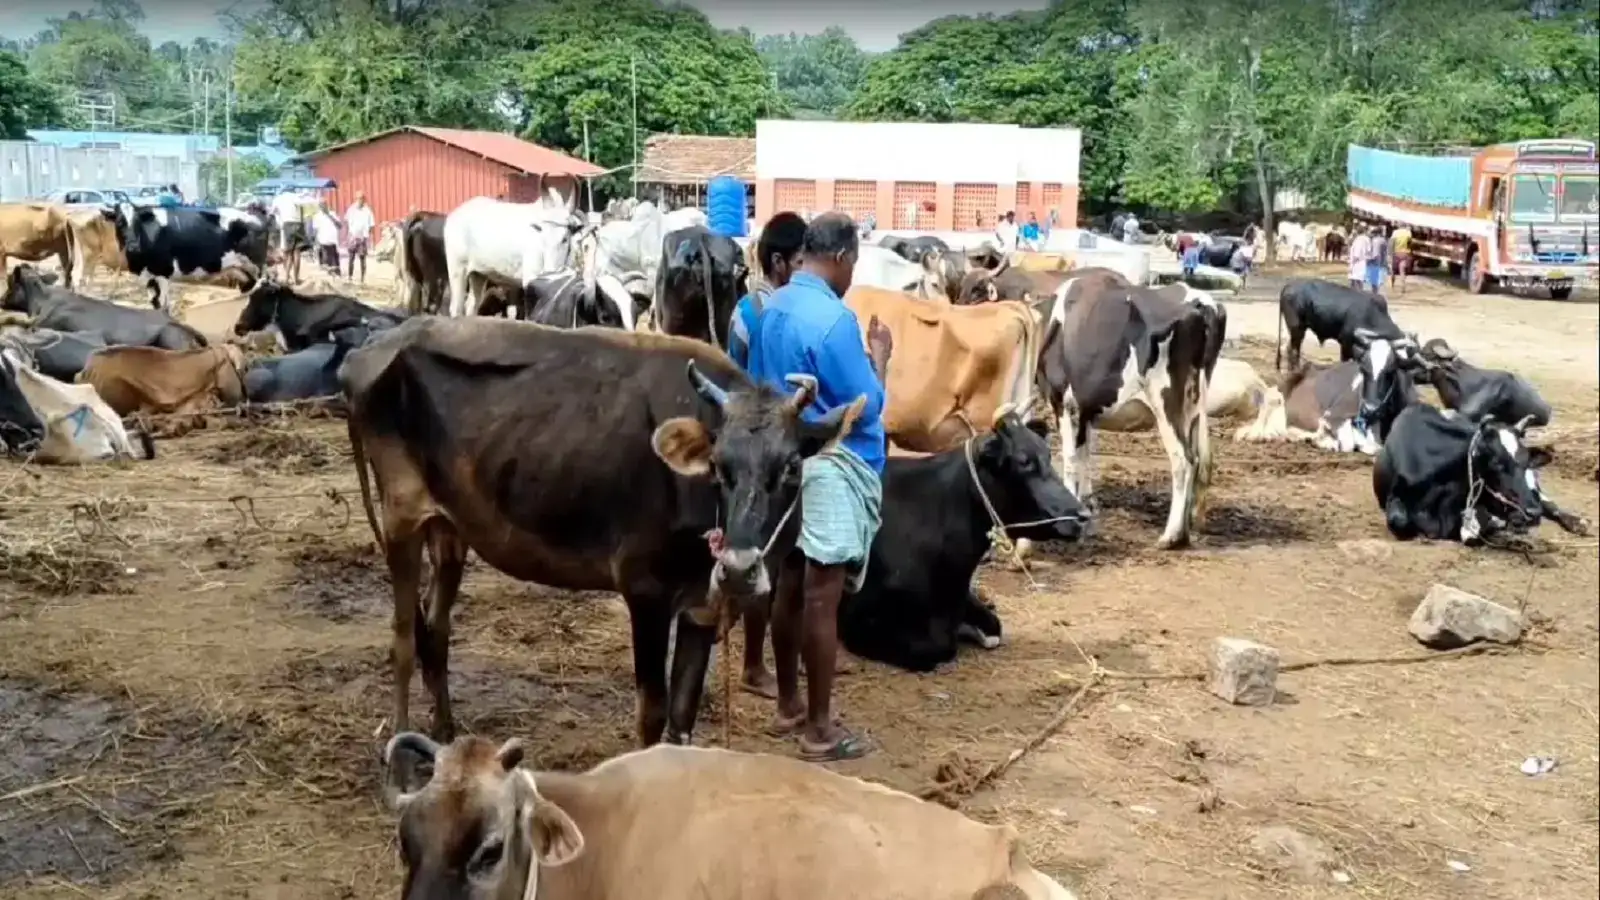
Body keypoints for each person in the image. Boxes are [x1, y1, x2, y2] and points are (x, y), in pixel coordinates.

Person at [745, 212, 892, 763]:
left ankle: (788, 705)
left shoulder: (773, 305)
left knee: (787, 582)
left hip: (784, 460)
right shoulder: (834, 322)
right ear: (845, 258)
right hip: (831, 460)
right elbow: (866, 405)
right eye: (853, 264)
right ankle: (820, 730)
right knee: (821, 595)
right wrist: (881, 358)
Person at [727, 211, 808, 700]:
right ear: (780, 263)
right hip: (777, 451)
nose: (806, 269)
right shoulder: (788, 312)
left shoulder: (744, 312)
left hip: (758, 445)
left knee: (769, 562)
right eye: (801, 260)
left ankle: (758, 663)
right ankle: (758, 665)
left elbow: (733, 373)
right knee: (773, 564)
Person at [271, 189, 307, 284]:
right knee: (297, 252)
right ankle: (296, 278)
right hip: (299, 224)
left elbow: (272, 212)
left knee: (288, 253)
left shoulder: (279, 198)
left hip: (288, 224)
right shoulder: (298, 197)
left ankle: (287, 278)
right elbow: (302, 211)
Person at [344, 191, 377, 284]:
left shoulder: (368, 211)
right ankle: (350, 277)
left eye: (362, 198)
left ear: (364, 199)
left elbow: (371, 225)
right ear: (356, 199)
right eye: (358, 198)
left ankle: (362, 278)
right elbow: (346, 222)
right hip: (353, 237)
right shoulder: (351, 209)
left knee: (363, 259)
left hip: (362, 238)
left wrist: (367, 236)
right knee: (351, 258)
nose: (360, 200)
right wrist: (348, 235)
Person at [310, 201, 343, 275]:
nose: (323, 206)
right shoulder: (316, 216)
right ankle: (329, 278)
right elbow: (315, 230)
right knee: (326, 264)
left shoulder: (332, 214)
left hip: (333, 241)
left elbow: (340, 226)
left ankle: (337, 276)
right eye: (321, 205)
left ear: (327, 205)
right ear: (319, 206)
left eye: (324, 204)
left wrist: (330, 216)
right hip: (323, 242)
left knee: (335, 264)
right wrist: (315, 243)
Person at [1390, 224, 1413, 294]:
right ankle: (1403, 286)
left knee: (1393, 270)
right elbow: (1410, 243)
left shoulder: (1395, 233)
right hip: (1405, 253)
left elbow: (1392, 244)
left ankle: (1392, 285)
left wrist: (1390, 254)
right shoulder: (1408, 233)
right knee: (1402, 271)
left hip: (1396, 253)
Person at [1364, 226, 1386, 294]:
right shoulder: (1383, 240)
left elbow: (1375, 253)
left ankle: (1374, 294)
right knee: (1377, 281)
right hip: (1381, 262)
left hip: (1374, 261)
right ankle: (1375, 293)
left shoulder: (1375, 241)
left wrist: (1368, 260)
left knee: (1373, 281)